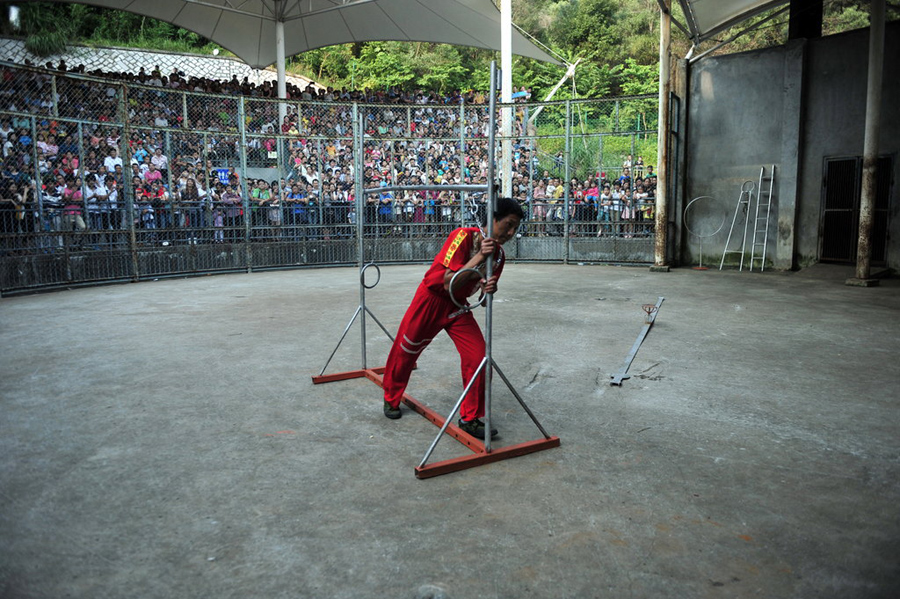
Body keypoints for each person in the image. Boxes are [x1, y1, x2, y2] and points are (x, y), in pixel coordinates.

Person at [381, 197, 524, 440]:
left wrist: (489, 290)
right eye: (508, 225)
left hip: (457, 307)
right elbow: (449, 282)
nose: (510, 233)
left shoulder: (499, 256)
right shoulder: (463, 236)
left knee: (479, 357)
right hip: (430, 300)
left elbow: (482, 297)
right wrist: (479, 258)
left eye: (515, 229)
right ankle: (391, 397)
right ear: (493, 219)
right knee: (406, 350)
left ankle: (470, 418)